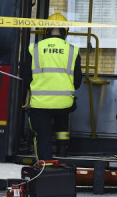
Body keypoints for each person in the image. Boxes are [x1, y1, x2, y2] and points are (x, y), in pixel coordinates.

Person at [25, 13, 81, 161]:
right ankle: (62, 152)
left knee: (42, 135)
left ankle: (45, 166)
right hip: (64, 104)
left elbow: (26, 77)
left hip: (40, 104)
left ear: (46, 30)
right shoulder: (73, 51)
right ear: (65, 31)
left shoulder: (34, 49)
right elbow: (77, 82)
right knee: (63, 113)